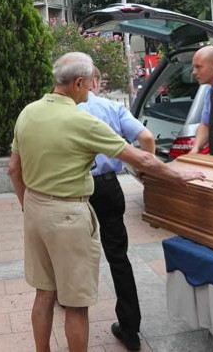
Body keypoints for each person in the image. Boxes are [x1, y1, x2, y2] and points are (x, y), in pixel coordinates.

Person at [8, 52, 204, 352]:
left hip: (35, 209)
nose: (90, 91)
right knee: (76, 304)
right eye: (88, 85)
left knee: (44, 293)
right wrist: (177, 176)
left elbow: (13, 169)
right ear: (77, 83)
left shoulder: (28, 112)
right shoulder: (81, 120)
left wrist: (27, 205)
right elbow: (140, 157)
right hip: (68, 215)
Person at [76, 68, 153, 351]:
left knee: (75, 255)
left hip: (77, 191)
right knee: (118, 257)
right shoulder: (110, 107)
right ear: (96, 81)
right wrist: (146, 173)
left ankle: (71, 311)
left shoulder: (65, 111)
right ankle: (130, 329)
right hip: (109, 188)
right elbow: (146, 138)